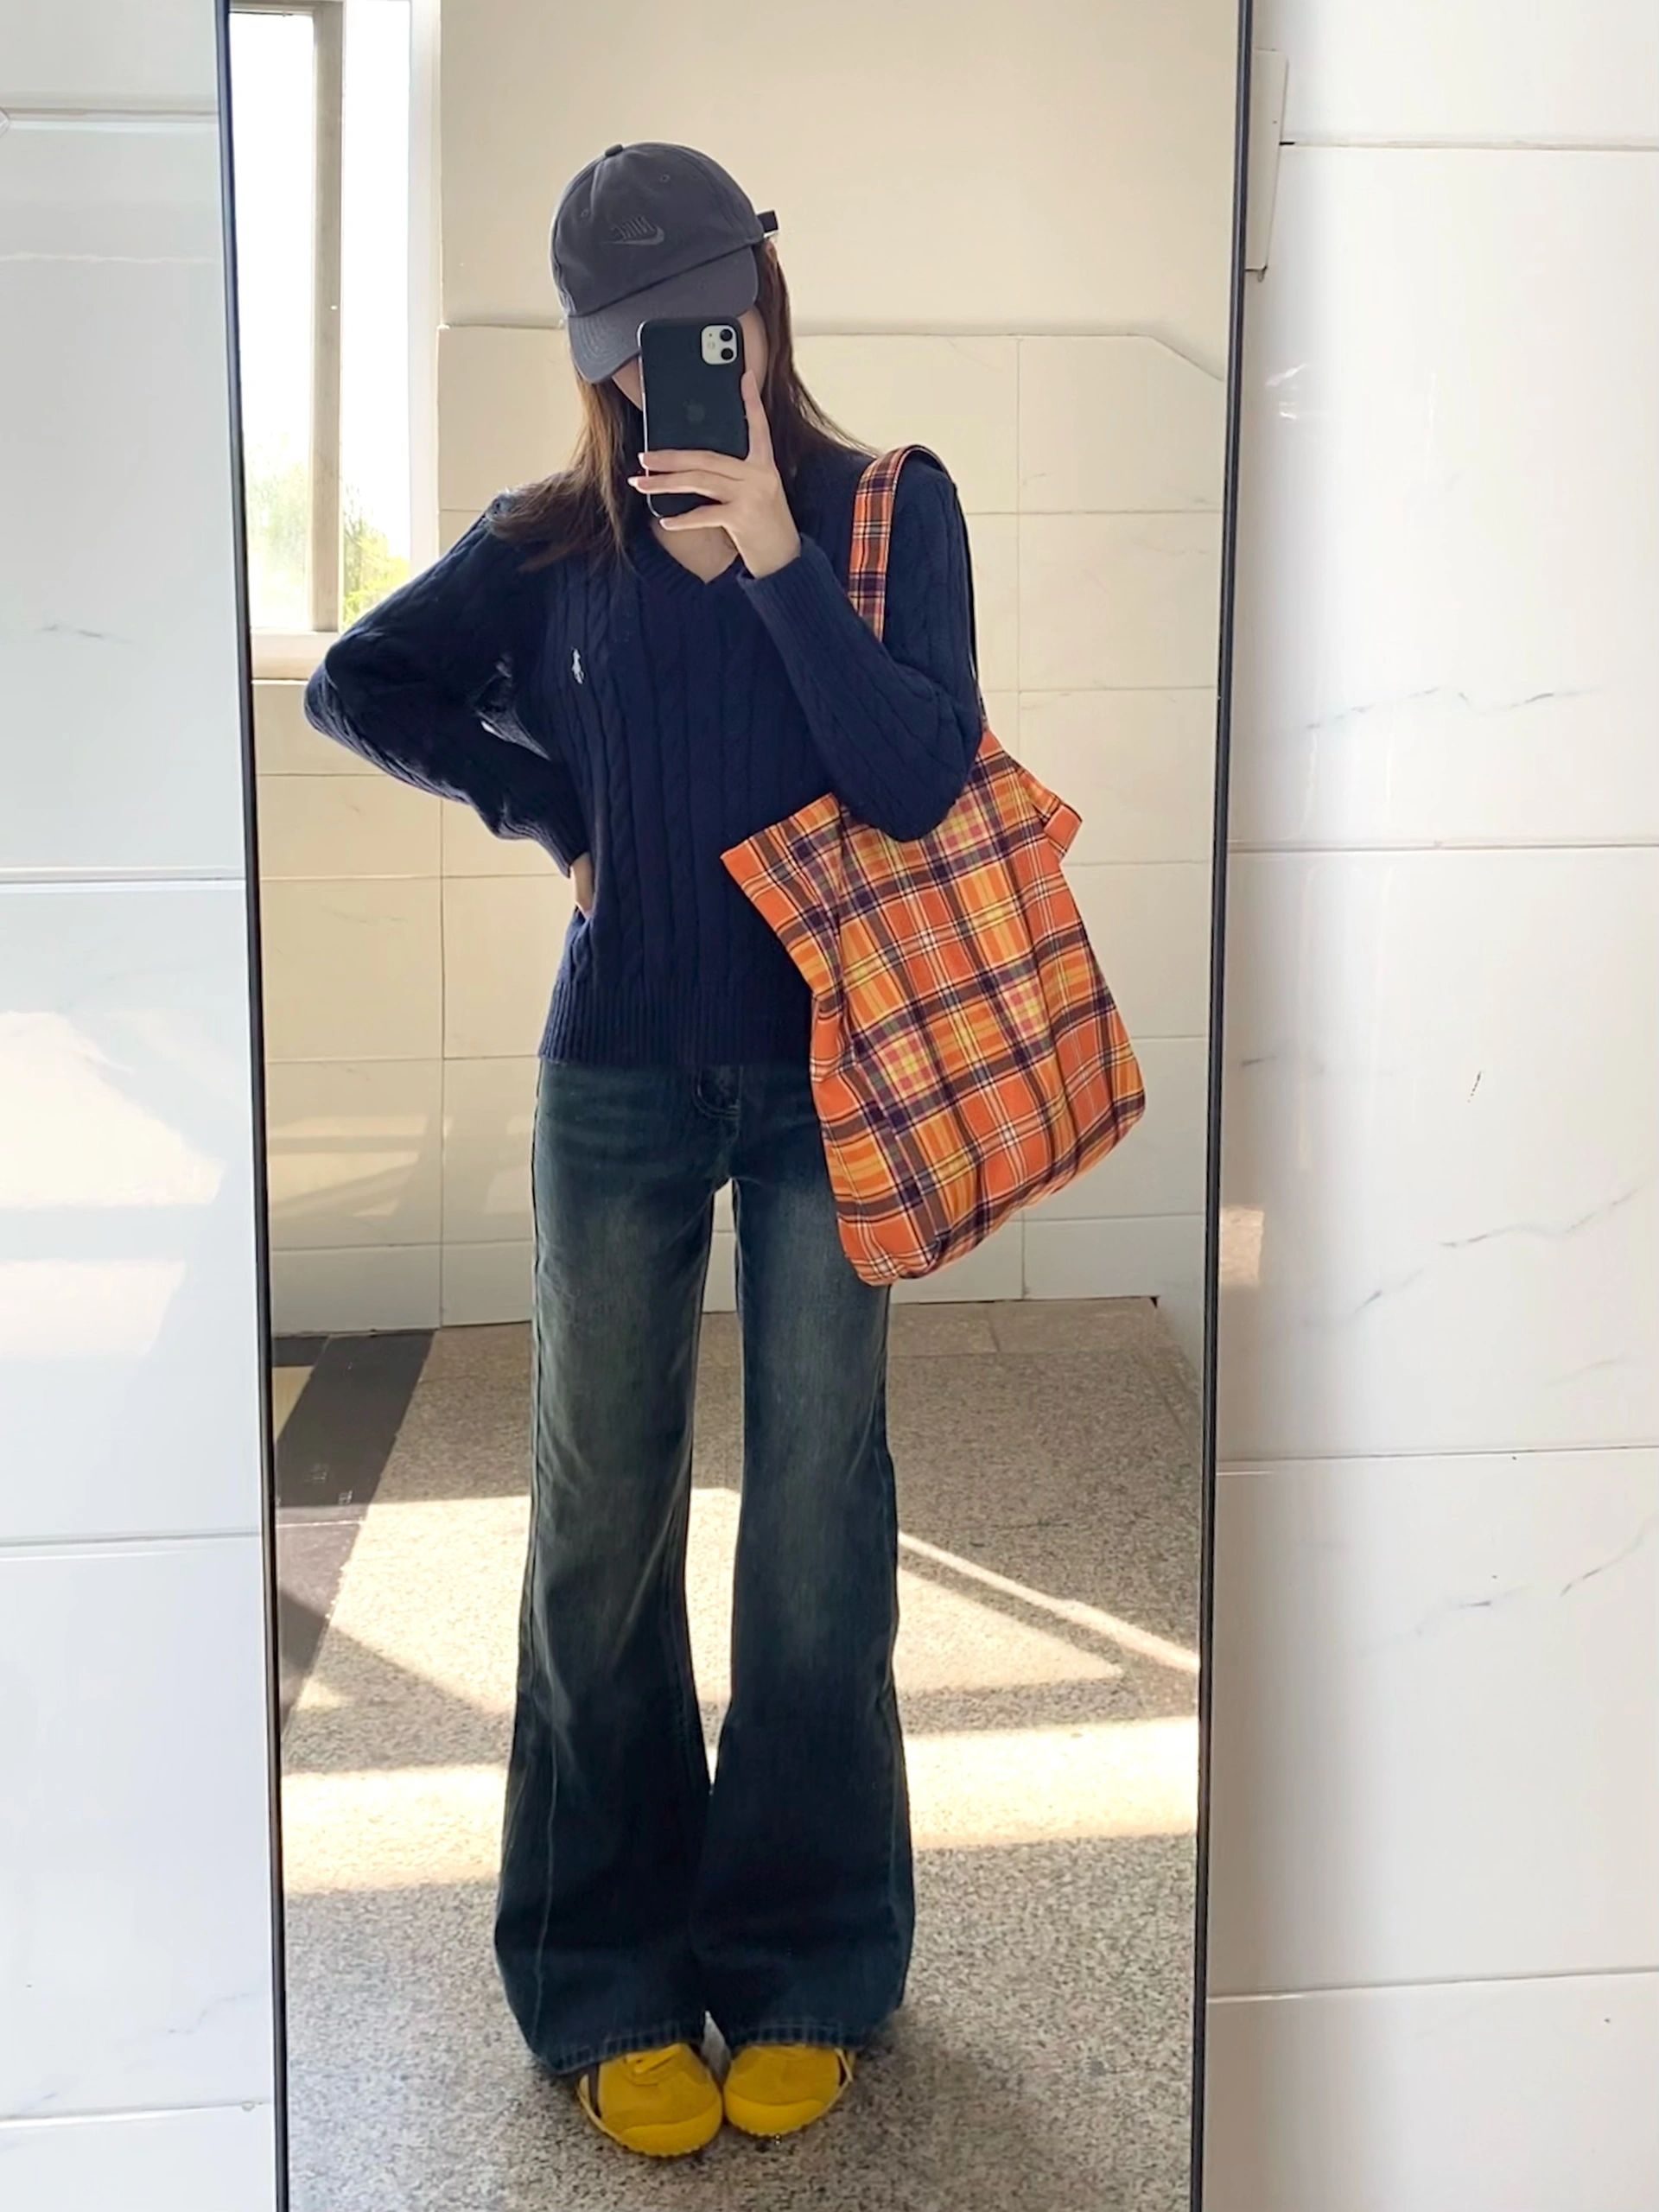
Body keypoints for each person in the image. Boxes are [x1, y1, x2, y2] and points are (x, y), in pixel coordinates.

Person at [305, 142, 981, 2158]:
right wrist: (554, 815)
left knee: (816, 1525)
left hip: (831, 1081)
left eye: (693, 323)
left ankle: (808, 1955)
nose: (658, 372)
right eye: (623, 344)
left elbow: (919, 774)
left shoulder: (888, 508)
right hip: (614, 1080)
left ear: (761, 294)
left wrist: (775, 553)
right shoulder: (546, 546)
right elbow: (361, 681)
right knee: (599, 1525)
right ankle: (602, 1969)